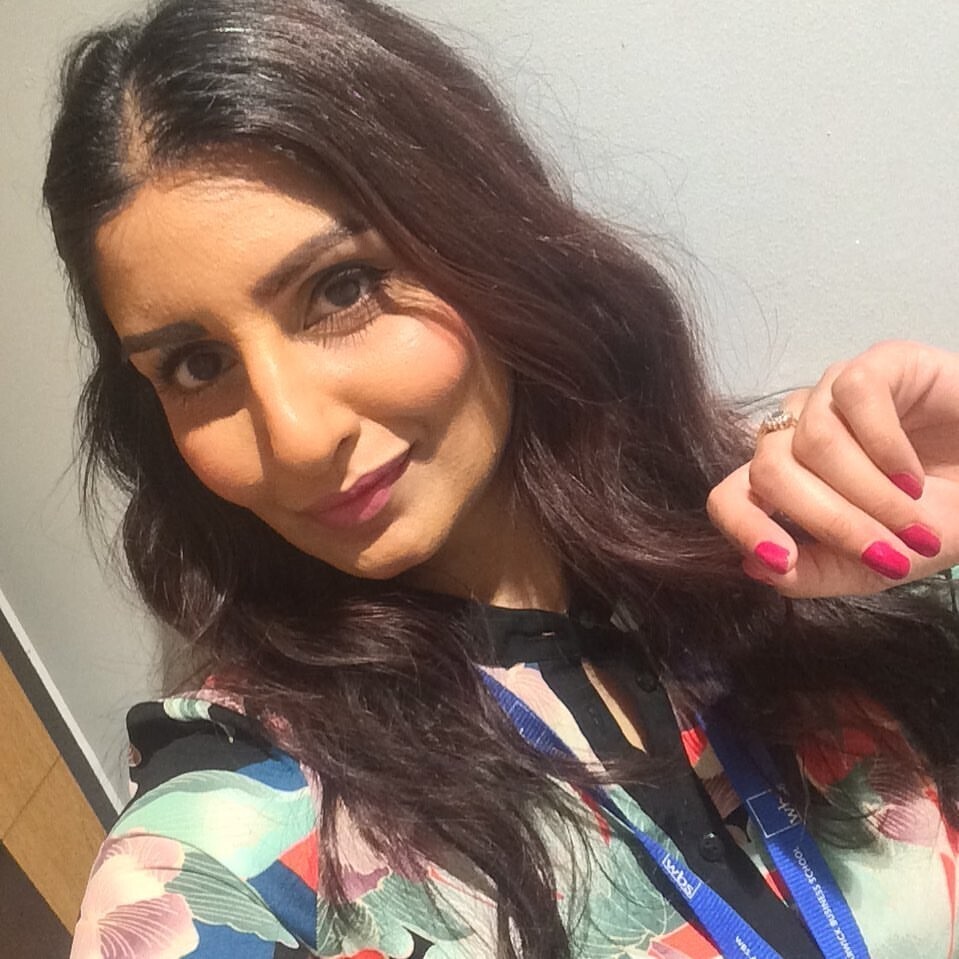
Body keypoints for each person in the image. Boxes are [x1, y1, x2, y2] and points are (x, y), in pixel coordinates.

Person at [42, 0, 958, 956]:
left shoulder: (790, 540)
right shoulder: (234, 839)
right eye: (197, 364)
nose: (298, 437)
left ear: (483, 238)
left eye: (341, 288)